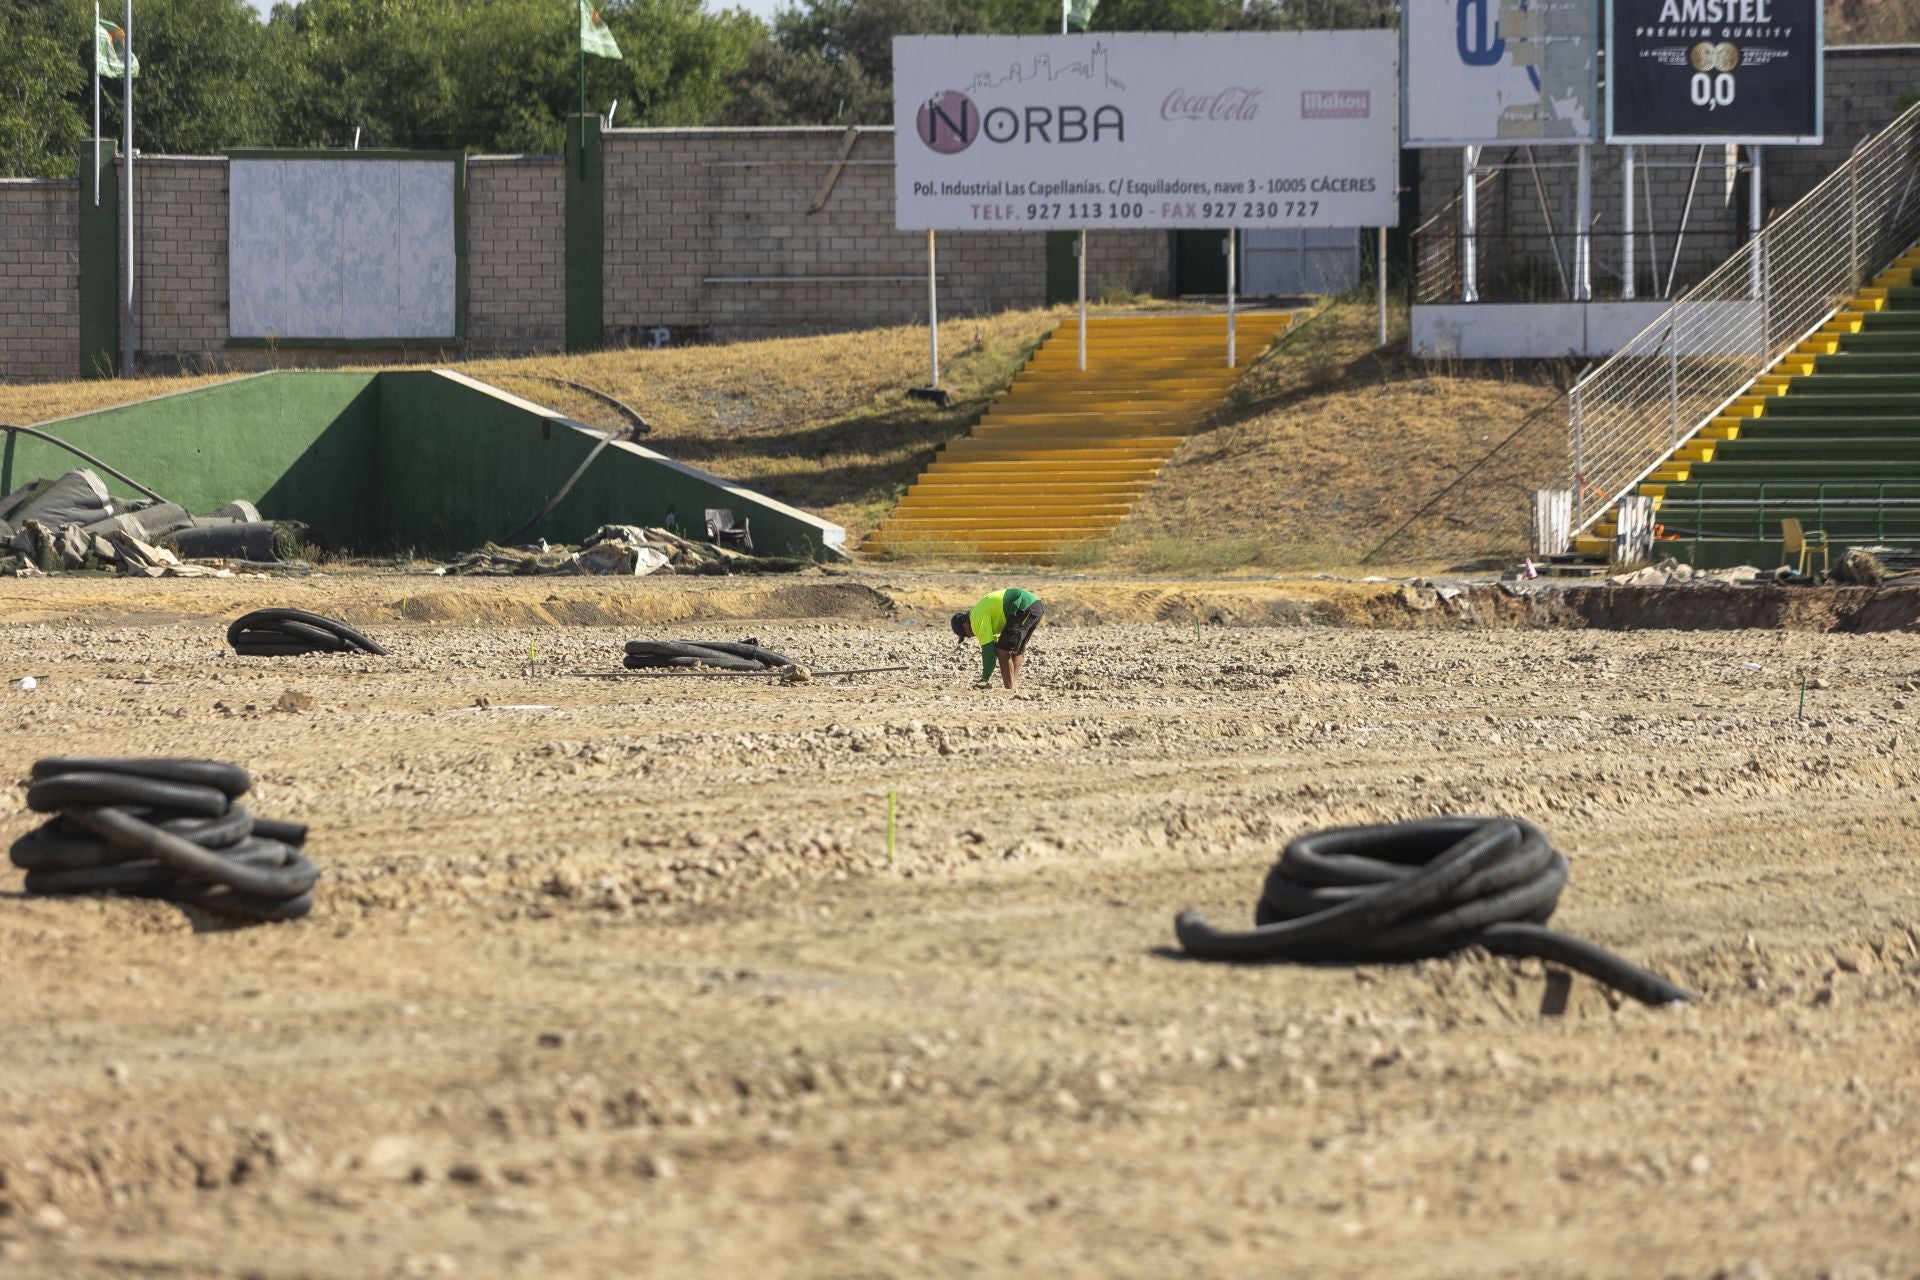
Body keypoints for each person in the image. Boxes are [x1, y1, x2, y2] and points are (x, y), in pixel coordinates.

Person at [952, 587, 1044, 690]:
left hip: (1023, 606)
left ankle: (1010, 689)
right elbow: (991, 646)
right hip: (1036, 605)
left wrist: (985, 678)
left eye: (965, 634)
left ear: (964, 623)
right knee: (1016, 650)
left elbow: (988, 650)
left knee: (1002, 650)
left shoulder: (976, 619)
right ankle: (1012, 686)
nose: (969, 636)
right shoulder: (978, 611)